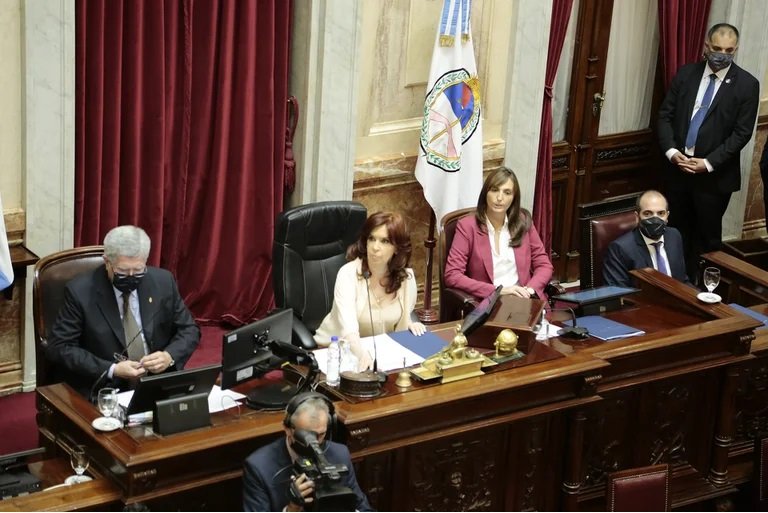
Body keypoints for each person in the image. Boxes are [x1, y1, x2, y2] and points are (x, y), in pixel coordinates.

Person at [47, 225, 200, 397]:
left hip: (157, 381)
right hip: (106, 388)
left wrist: (169, 356)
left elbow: (189, 329)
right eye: (123, 271)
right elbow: (60, 347)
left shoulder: (163, 282)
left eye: (138, 270)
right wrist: (112, 369)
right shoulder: (80, 292)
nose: (131, 276)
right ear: (107, 262)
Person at [658, 23, 760, 281]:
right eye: (717, 48)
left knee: (707, 241)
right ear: (706, 46)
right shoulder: (686, 74)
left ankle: (705, 290)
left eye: (728, 50)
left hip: (714, 178)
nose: (722, 54)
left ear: (736, 49)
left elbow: (742, 133)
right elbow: (665, 116)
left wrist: (709, 162)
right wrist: (671, 151)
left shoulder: (747, 85)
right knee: (675, 234)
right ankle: (674, 285)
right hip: (678, 171)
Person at [313, 212, 426, 371]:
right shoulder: (348, 274)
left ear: (397, 248)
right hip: (336, 352)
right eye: (371, 238)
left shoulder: (406, 279)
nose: (375, 247)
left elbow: (398, 319)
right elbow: (349, 330)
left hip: (382, 353)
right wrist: (361, 354)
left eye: (385, 241)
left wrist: (409, 324)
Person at [242, 392, 372, 512]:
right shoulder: (259, 467)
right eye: (307, 436)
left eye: (321, 434)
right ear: (287, 429)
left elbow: (363, 508)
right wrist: (292, 508)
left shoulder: (339, 454)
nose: (315, 443)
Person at [444, 167, 554, 301]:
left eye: (507, 192)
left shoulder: (523, 221)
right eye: (495, 190)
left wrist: (530, 290)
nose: (500, 198)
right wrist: (498, 291)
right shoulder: (467, 226)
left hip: (525, 299)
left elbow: (544, 265)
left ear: (514, 198)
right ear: (485, 193)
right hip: (489, 302)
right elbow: (452, 275)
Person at [603, 190, 690, 288]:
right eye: (648, 214)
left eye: (661, 213)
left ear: (667, 216)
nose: (655, 220)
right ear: (637, 217)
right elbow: (619, 292)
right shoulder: (620, 249)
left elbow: (682, 280)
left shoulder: (674, 235)